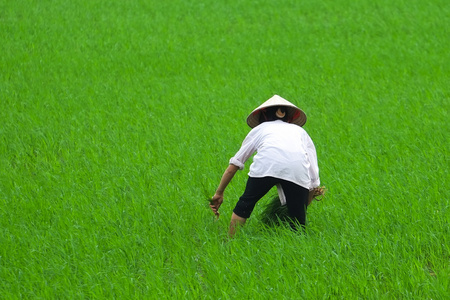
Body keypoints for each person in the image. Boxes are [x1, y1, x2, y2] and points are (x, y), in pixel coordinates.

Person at [210, 95, 321, 237]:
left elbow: (234, 165)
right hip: (297, 171)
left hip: (265, 167)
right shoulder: (301, 132)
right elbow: (313, 177)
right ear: (286, 115)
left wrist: (219, 193)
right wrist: (303, 203)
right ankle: (300, 248)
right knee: (298, 221)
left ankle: (229, 243)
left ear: (263, 115)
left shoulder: (260, 129)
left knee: (245, 204)